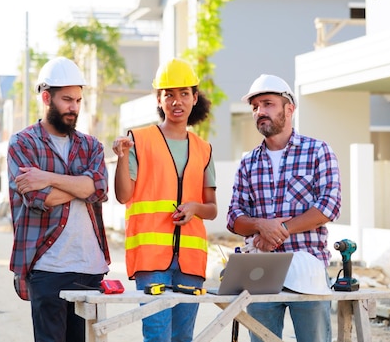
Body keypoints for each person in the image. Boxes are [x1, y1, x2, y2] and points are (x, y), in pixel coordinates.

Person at [227, 74, 341, 342]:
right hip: (261, 270)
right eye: (255, 107)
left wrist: (281, 230)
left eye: (268, 104)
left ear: (289, 108)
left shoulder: (317, 151)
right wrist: (260, 226)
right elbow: (234, 217)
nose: (260, 112)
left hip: (308, 267)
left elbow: (329, 205)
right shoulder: (248, 163)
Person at [112, 58, 218, 342]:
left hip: (191, 261)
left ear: (195, 97)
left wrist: (195, 208)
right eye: (168, 94)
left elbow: (211, 209)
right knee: (157, 337)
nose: (176, 101)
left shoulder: (204, 149)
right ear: (158, 99)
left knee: (183, 338)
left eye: (184, 93)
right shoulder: (139, 141)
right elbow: (124, 195)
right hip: (151, 261)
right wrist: (121, 158)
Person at [7, 56, 110, 342]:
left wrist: (48, 176)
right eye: (66, 99)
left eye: (78, 100)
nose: (74, 107)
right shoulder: (23, 143)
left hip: (89, 267)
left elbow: (100, 189)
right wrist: (81, 186)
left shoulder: (91, 145)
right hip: (47, 266)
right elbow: (41, 198)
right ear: (46, 97)